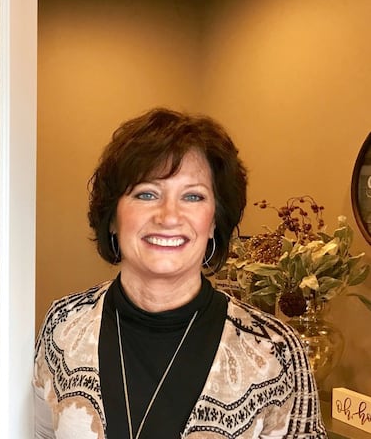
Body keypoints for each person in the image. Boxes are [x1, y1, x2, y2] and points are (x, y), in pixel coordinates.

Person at [33, 108, 326, 438]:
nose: (169, 216)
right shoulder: (62, 325)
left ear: (214, 221)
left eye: (193, 196)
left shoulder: (277, 352)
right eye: (146, 193)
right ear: (112, 217)